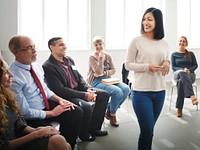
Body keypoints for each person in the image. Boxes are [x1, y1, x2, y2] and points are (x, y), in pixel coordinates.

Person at [8, 35, 82, 150]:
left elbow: (45, 90)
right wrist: (52, 113)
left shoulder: (36, 66)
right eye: (29, 48)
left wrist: (59, 100)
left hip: (45, 105)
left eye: (34, 46)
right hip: (32, 117)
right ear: (16, 52)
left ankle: (69, 146)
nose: (34, 50)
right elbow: (24, 112)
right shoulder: (14, 77)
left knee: (75, 111)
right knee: (54, 137)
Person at [42, 37, 110, 141]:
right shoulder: (48, 66)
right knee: (86, 107)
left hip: (79, 89)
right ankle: (83, 134)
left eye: (65, 44)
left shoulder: (69, 60)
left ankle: (94, 128)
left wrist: (88, 89)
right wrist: (85, 95)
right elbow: (60, 90)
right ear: (52, 47)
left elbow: (79, 77)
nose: (65, 47)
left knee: (104, 94)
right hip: (67, 95)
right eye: (61, 45)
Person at [0, 58, 71, 150]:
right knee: (59, 142)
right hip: (12, 143)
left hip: (19, 135)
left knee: (63, 142)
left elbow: (18, 123)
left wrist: (36, 130)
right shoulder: (16, 80)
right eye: (5, 73)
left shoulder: (7, 95)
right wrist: (35, 134)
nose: (11, 74)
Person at [125, 7, 170, 150]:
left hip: (160, 91)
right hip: (141, 92)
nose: (146, 22)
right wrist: (147, 67)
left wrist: (167, 62)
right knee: (147, 131)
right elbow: (127, 65)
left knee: (149, 131)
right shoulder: (136, 41)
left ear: (158, 21)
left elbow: (166, 59)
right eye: (144, 19)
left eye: (150, 19)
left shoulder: (164, 43)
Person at [87, 36, 130, 127]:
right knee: (117, 92)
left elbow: (113, 70)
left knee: (126, 89)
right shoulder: (92, 57)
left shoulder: (108, 56)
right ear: (93, 46)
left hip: (109, 79)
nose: (98, 46)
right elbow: (98, 72)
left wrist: (105, 72)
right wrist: (101, 59)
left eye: (100, 44)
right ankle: (113, 115)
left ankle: (108, 110)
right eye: (96, 45)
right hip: (96, 82)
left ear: (103, 45)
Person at [171, 36, 198, 117]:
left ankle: (179, 109)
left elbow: (195, 65)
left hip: (190, 75)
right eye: (180, 41)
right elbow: (174, 67)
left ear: (186, 44)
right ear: (178, 43)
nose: (182, 42)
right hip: (178, 74)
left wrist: (189, 70)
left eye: (184, 41)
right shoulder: (174, 54)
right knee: (182, 73)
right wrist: (183, 69)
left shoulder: (191, 54)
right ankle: (192, 96)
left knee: (180, 83)